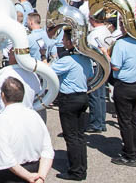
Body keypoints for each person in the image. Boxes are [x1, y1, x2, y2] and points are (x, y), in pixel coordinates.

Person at [0, 78, 54, 183]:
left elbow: (6, 159)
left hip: (9, 175)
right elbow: (47, 150)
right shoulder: (34, 115)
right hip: (35, 172)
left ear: (2, 96)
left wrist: (29, 177)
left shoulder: (3, 119)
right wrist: (41, 177)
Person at [51, 31, 92, 180]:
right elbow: (90, 75)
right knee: (80, 135)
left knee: (71, 136)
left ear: (70, 42)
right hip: (82, 96)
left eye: (64, 39)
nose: (62, 41)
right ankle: (82, 167)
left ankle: (76, 171)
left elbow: (49, 70)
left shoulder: (68, 60)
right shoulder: (86, 59)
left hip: (69, 99)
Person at [110, 24, 136, 166]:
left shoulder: (121, 43)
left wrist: (106, 54)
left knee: (125, 122)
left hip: (125, 85)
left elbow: (115, 66)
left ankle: (129, 155)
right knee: (135, 121)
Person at [0, 48, 42, 116]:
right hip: (27, 114)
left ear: (15, 56)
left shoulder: (7, 73)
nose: (8, 54)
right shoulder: (32, 74)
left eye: (10, 53)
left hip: (8, 115)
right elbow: (38, 90)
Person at [85, 16, 113, 132]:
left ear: (93, 20)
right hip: (103, 65)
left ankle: (96, 123)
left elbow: (89, 51)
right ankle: (101, 122)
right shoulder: (106, 30)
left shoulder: (93, 35)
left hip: (96, 66)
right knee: (100, 95)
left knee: (94, 95)